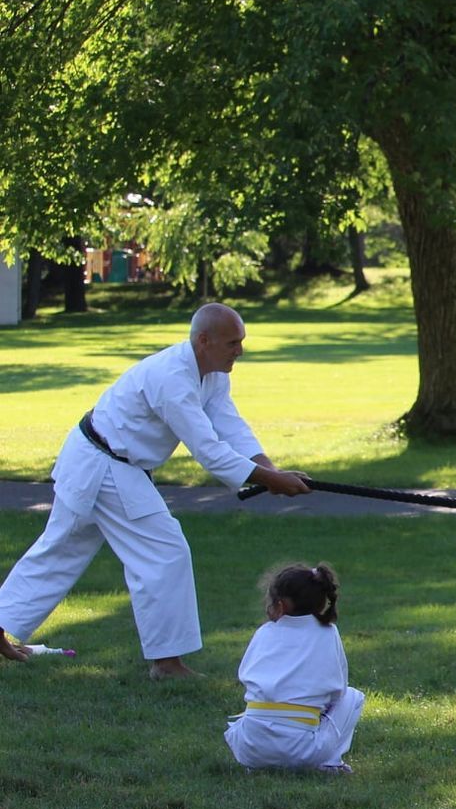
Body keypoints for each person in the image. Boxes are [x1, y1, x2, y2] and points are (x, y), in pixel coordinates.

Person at [0, 303, 310, 676]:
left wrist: (270, 469)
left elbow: (229, 425)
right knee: (164, 551)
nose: (239, 351)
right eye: (232, 343)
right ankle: (167, 663)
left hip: (101, 462)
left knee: (59, 551)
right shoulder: (172, 379)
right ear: (204, 341)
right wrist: (272, 481)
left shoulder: (212, 374)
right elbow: (209, 450)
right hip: (106, 465)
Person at [224, 563, 364, 773]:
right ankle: (330, 762)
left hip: (248, 748)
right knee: (352, 697)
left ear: (280, 605)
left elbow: (246, 676)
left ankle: (260, 764)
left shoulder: (264, 632)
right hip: (303, 751)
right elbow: (338, 691)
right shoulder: (328, 632)